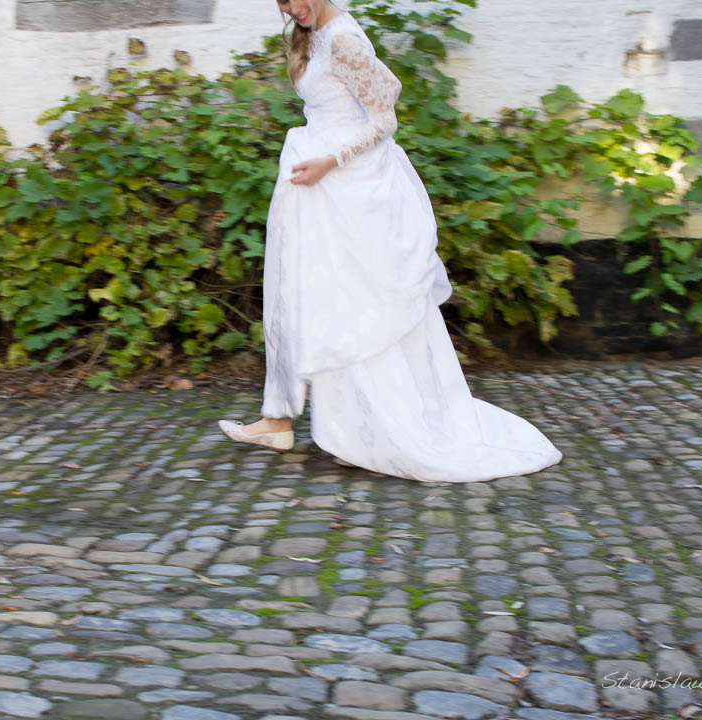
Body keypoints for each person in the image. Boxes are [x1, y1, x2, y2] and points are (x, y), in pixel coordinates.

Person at [218, 0, 562, 483]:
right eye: (281, 2)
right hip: (318, 188)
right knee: (298, 295)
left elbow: (385, 119)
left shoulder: (342, 37)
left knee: (350, 304)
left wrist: (330, 160)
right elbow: (387, 83)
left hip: (347, 186)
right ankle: (279, 418)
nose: (291, 7)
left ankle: (363, 429)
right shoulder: (314, 32)